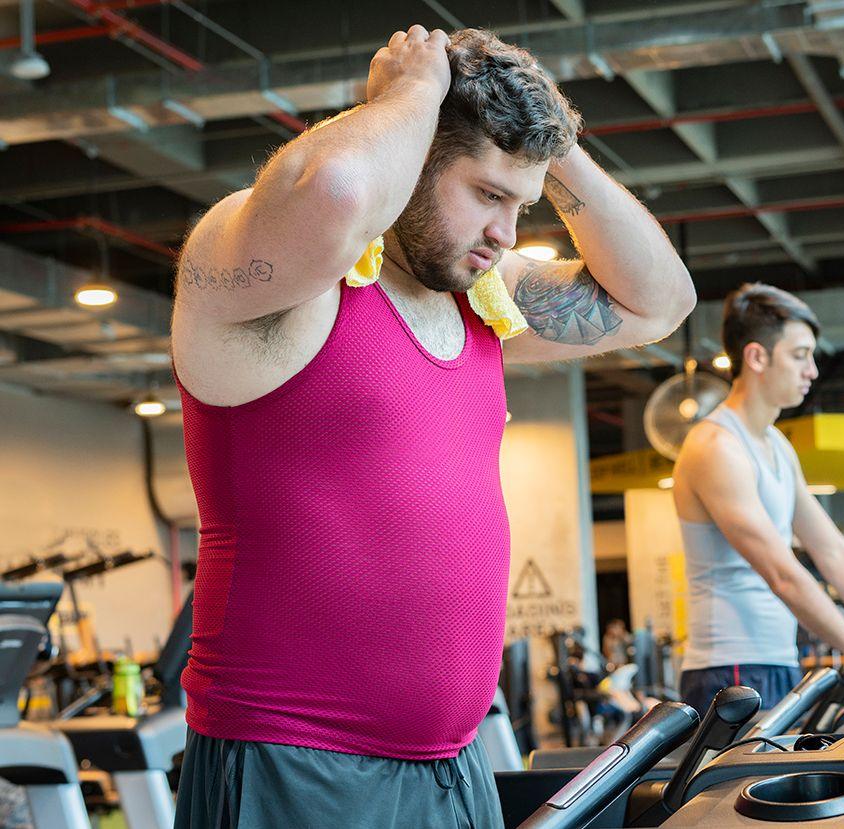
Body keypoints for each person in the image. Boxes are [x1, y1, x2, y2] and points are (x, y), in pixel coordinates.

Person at [170, 26, 695, 827]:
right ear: (414, 155)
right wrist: (410, 94)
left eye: (518, 206)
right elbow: (337, 195)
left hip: (454, 764)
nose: (508, 234)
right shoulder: (278, 275)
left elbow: (659, 301)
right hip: (300, 763)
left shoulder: (479, 299)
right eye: (488, 195)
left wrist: (548, 145)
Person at [672, 283, 844, 716]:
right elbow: (781, 573)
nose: (811, 370)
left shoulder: (774, 445)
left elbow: (831, 550)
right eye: (799, 355)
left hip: (774, 660)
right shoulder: (717, 447)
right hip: (731, 670)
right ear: (757, 357)